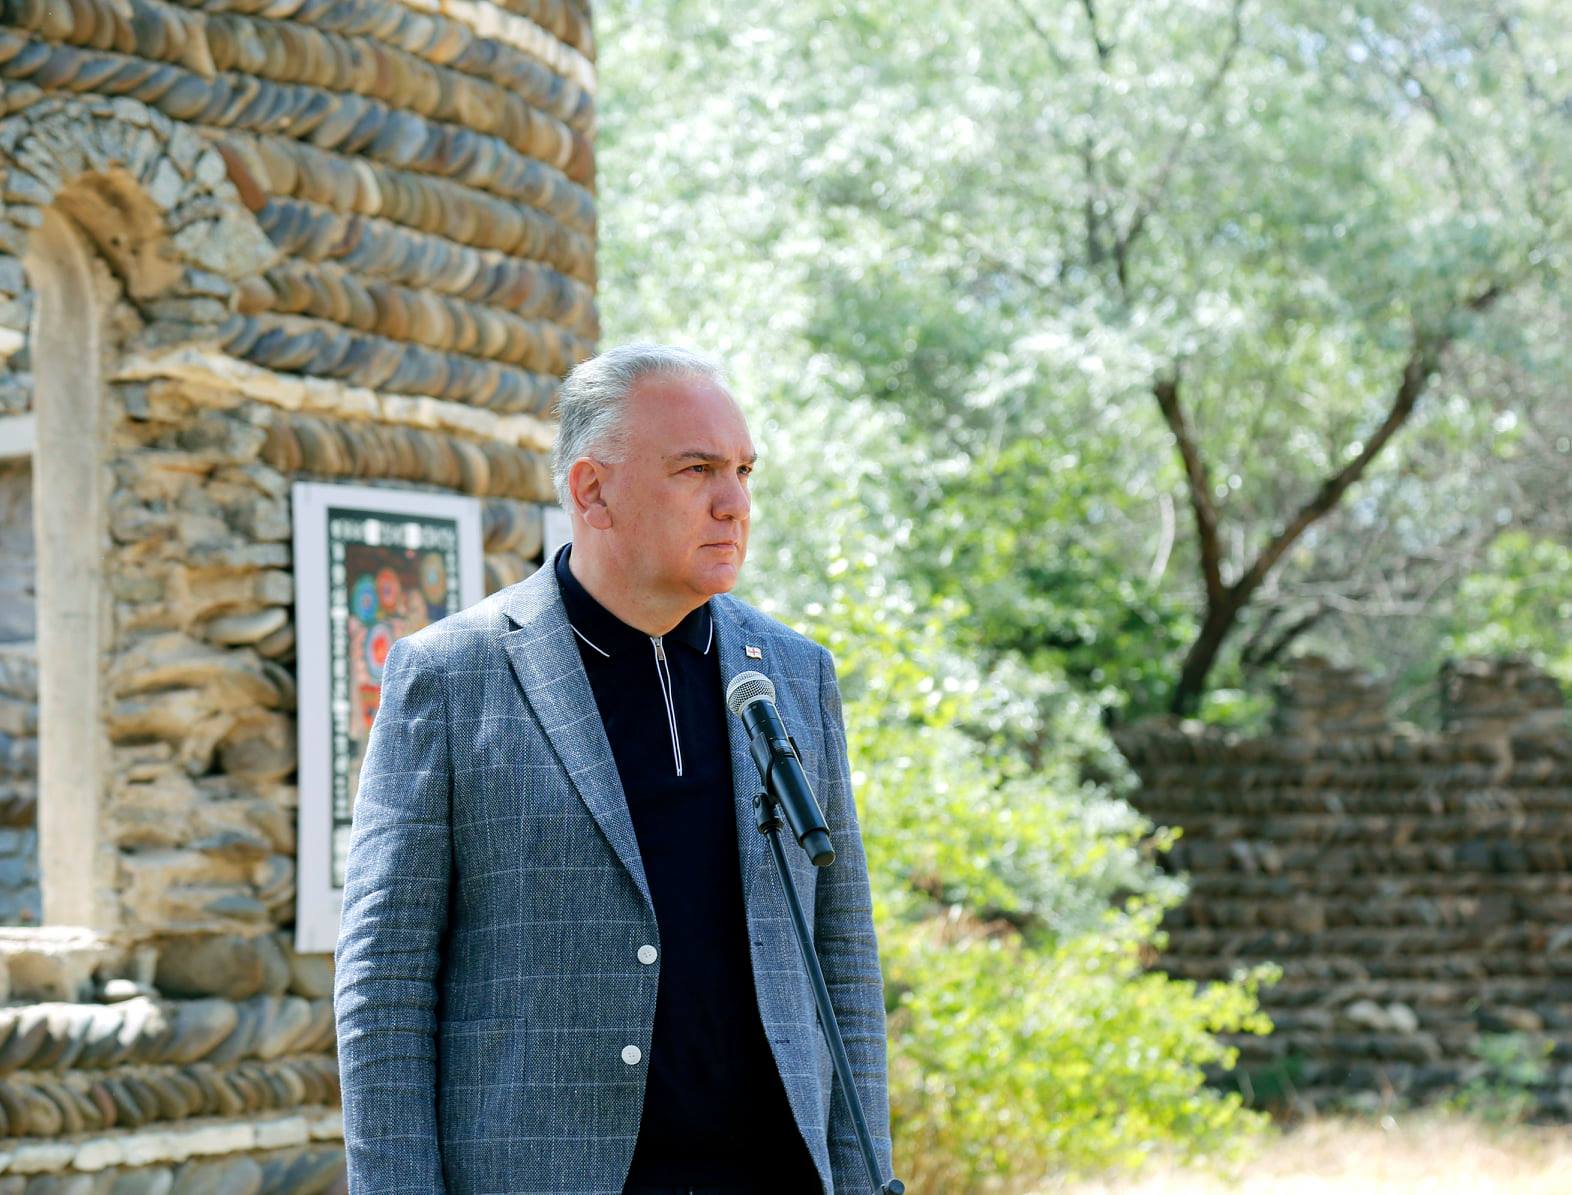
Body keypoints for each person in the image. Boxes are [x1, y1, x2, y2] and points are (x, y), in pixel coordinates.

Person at [334, 344, 892, 1194]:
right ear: (592, 490)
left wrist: (863, 1178)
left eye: (743, 471)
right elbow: (385, 983)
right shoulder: (449, 677)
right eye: (697, 469)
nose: (734, 502)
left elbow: (842, 955)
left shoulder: (794, 671)